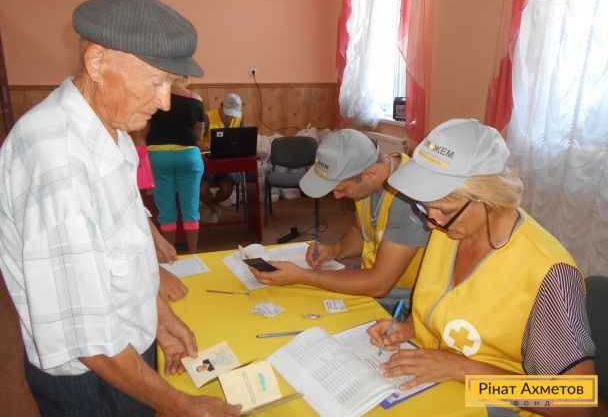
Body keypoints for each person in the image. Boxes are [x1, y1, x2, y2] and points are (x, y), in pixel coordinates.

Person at [0, 0, 240, 416]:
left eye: (170, 83)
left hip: (124, 349)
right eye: (156, 81)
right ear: (97, 62)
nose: (165, 102)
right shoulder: (57, 162)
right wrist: (181, 405)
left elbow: (123, 247)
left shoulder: (111, 129)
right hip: (94, 379)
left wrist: (158, 317)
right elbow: (87, 339)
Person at [368, 119, 595, 417]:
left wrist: (461, 369)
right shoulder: (449, 228)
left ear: (490, 198)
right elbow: (448, 306)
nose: (431, 222)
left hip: (494, 407)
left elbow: (577, 401)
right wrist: (408, 328)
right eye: (425, 208)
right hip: (432, 387)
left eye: (443, 210)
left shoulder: (548, 272)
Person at [250, 129, 430, 312]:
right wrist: (335, 250)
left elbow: (379, 284)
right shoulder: (370, 180)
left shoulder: (407, 199)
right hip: (371, 280)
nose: (336, 196)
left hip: (402, 301)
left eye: (342, 189)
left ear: (370, 174)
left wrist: (303, 276)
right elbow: (361, 232)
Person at [146, 77, 205, 254]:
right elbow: (198, 136)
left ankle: (169, 255)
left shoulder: (153, 95)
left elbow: (144, 128)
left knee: (166, 211)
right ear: (185, 77)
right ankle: (193, 253)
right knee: (191, 209)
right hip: (188, 156)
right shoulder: (195, 99)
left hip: (158, 157)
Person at [199, 92, 246, 223]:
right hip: (208, 162)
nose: (231, 117)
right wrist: (210, 146)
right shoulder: (208, 117)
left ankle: (212, 206)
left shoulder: (240, 118)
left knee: (226, 189)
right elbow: (196, 141)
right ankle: (215, 208)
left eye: (234, 114)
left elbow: (244, 139)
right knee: (201, 190)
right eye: (228, 113)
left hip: (228, 163)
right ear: (221, 105)